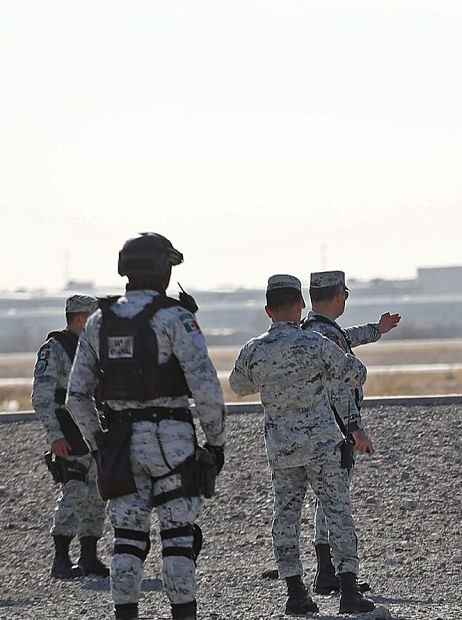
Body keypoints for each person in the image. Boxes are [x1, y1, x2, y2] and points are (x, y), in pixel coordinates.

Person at [65, 233, 226, 620]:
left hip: (119, 443)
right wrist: (216, 442)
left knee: (127, 542)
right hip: (173, 442)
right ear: (164, 269)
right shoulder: (176, 318)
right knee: (178, 541)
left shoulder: (99, 321)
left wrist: (99, 442)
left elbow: (76, 397)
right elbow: (206, 387)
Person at [229, 276, 373, 615]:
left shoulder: (253, 349)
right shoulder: (315, 343)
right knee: (337, 513)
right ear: (299, 307)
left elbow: (238, 386)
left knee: (286, 517)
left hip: (282, 449)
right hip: (322, 445)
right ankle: (348, 591)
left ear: (267, 310)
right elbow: (357, 373)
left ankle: (295, 592)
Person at [301, 269, 400, 596]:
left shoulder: (317, 329)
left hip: (321, 430)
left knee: (324, 500)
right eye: (344, 294)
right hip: (334, 431)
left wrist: (378, 329)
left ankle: (327, 571)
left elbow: (347, 336)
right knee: (333, 501)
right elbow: (341, 389)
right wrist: (355, 429)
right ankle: (335, 574)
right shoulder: (325, 335)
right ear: (337, 296)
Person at [33, 293, 108, 579]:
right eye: (93, 316)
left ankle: (89, 556)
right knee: (74, 493)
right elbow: (41, 397)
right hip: (69, 435)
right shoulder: (55, 349)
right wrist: (55, 437)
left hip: (95, 433)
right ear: (79, 318)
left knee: (98, 494)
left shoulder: (93, 347)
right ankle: (61, 559)